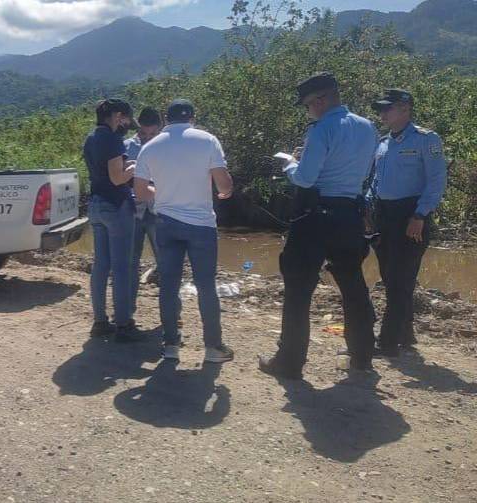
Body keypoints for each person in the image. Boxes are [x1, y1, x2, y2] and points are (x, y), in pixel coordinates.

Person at [259, 73, 378, 379]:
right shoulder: (367, 127)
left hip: (315, 217)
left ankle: (289, 363)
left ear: (321, 100)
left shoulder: (322, 128)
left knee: (299, 290)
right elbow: (363, 170)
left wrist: (290, 163)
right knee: (353, 284)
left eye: (308, 104)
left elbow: (306, 178)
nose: (308, 110)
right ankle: (362, 355)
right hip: (350, 215)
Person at [135, 99, 235, 363]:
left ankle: (170, 345)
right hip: (201, 225)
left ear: (166, 119)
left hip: (166, 224)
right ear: (192, 117)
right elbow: (223, 184)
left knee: (169, 285)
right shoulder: (208, 140)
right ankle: (213, 348)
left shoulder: (150, 146)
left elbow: (140, 192)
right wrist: (225, 192)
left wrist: (161, 192)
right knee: (206, 286)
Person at [368, 89, 447, 357]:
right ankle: (406, 332)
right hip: (384, 216)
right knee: (390, 277)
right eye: (381, 109)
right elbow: (376, 181)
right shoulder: (383, 143)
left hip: (410, 215)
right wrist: (367, 207)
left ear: (405, 108)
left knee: (400, 279)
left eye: (387, 108)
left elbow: (436, 181)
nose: (382, 113)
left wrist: (420, 215)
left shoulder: (426, 139)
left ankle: (387, 343)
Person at [84, 98, 140, 342]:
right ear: (118, 116)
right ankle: (124, 324)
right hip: (116, 206)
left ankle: (100, 321)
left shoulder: (91, 138)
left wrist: (125, 166)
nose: (126, 124)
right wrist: (134, 167)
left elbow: (104, 171)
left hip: (96, 205)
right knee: (122, 268)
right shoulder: (112, 139)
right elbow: (117, 178)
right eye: (125, 119)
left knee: (101, 266)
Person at [126, 106, 167, 319]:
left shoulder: (168, 147)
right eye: (144, 133)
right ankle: (126, 313)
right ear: (138, 128)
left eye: (153, 134)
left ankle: (171, 313)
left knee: (166, 263)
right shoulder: (126, 147)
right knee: (130, 263)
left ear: (160, 129)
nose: (148, 138)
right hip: (132, 211)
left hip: (159, 212)